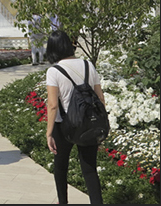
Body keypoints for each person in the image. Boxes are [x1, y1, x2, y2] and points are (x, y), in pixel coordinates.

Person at [45, 30, 104, 204]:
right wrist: (99, 124)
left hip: (64, 126)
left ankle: (62, 202)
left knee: (61, 167)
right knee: (90, 170)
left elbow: (53, 105)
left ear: (52, 48)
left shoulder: (54, 71)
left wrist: (49, 133)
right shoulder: (88, 65)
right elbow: (100, 97)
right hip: (88, 123)